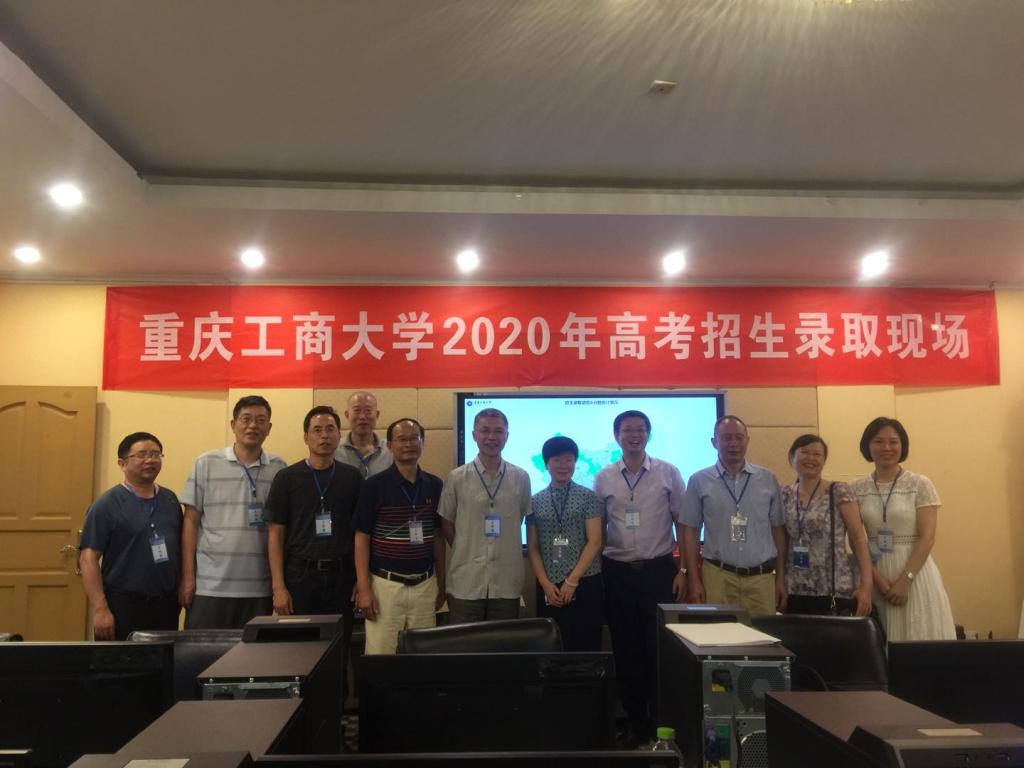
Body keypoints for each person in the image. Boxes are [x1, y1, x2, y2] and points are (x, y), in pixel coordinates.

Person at [595, 410, 686, 749]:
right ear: (616, 435)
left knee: (659, 649)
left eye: (640, 429)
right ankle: (635, 723)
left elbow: (683, 523)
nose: (634, 435)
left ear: (648, 434)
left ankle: (662, 723)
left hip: (659, 571)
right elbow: (598, 528)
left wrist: (684, 570)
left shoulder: (668, 472)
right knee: (626, 649)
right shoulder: (604, 477)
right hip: (617, 572)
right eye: (627, 430)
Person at [179, 395, 287, 628]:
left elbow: (280, 530)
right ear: (233, 424)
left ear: (269, 428)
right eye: (246, 419)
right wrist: (188, 576)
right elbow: (190, 521)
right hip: (210, 585)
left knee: (251, 651)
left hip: (259, 586)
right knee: (203, 650)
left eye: (260, 420)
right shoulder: (205, 463)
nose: (252, 426)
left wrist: (278, 585)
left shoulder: (279, 468)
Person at [851, 417, 956, 640]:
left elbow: (927, 538)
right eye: (878, 441)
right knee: (881, 643)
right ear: (867, 446)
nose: (886, 447)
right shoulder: (856, 488)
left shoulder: (920, 484)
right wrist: (877, 580)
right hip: (874, 573)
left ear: (903, 445)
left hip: (915, 573)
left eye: (893, 441)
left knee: (920, 638)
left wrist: (905, 580)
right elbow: (855, 539)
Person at [78, 432, 182, 640]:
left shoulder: (170, 500)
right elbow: (88, 559)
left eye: (155, 454)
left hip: (166, 605)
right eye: (142, 455)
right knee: (121, 660)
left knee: (163, 659)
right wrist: (100, 609)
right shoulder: (107, 504)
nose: (150, 460)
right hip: (123, 606)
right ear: (122, 463)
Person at [354, 418, 445, 654]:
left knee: (423, 657)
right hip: (385, 587)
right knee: (381, 655)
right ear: (389, 445)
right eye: (401, 439)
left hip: (425, 584)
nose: (408, 444)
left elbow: (437, 537)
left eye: (414, 438)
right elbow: (362, 538)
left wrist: (442, 582)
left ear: (423, 442)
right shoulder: (373, 486)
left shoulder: (435, 485)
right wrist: (364, 588)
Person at [682, 415, 786, 617]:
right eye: (726, 438)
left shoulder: (767, 479)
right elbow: (691, 532)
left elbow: (778, 530)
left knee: (761, 635)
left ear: (748, 440)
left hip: (761, 579)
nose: (733, 444)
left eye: (739, 438)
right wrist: (694, 580)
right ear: (714, 442)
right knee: (721, 634)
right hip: (718, 578)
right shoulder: (698, 480)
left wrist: (780, 577)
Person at [264, 405, 362, 615]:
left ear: (339, 436)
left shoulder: (352, 477)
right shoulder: (286, 478)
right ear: (306, 437)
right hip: (299, 575)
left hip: (342, 576)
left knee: (340, 634)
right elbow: (275, 533)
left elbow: (360, 534)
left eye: (330, 429)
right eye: (317, 430)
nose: (324, 435)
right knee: (301, 635)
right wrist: (278, 587)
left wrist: (361, 581)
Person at [438, 408, 531, 623]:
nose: (491, 437)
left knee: (503, 642)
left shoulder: (521, 477)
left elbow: (521, 518)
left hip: (506, 581)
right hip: (466, 581)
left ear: (507, 436)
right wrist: (465, 546)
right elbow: (446, 521)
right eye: (485, 430)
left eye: (498, 431)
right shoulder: (456, 478)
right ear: (474, 435)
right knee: (465, 642)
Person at [526, 436, 604, 652]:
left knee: (586, 644)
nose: (563, 465)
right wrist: (544, 583)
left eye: (569, 459)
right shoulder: (534, 501)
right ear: (546, 464)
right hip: (549, 584)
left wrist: (572, 581)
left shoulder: (588, 496)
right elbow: (532, 547)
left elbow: (595, 541)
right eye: (557, 460)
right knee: (552, 646)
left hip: (585, 581)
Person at [781, 434, 873, 616]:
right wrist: (780, 582)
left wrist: (866, 585)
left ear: (824, 460)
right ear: (792, 456)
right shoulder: (784, 494)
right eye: (805, 452)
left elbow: (858, 539)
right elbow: (782, 542)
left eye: (817, 454)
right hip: (795, 587)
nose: (811, 458)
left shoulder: (839, 491)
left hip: (834, 588)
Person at [335, 390, 393, 478]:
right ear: (347, 415)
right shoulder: (334, 450)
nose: (362, 416)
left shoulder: (390, 450)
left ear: (377, 415)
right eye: (357, 410)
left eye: (368, 411)